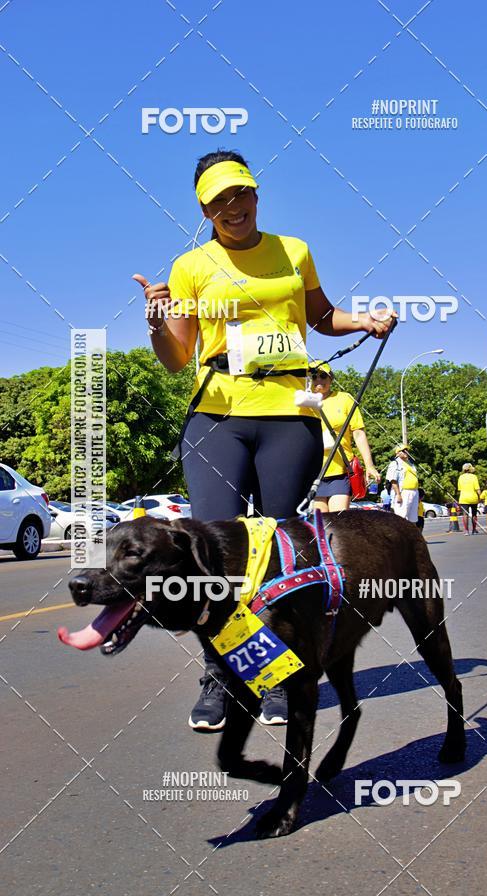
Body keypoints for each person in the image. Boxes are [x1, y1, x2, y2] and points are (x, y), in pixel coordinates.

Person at [134, 149, 393, 732]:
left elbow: (324, 318)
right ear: (204, 209)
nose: (232, 207)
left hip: (287, 414)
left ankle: (277, 674)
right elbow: (177, 359)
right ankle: (221, 673)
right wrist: (155, 322)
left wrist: (367, 320)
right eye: (218, 200)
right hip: (217, 415)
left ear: (256, 194)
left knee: (280, 551)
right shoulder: (190, 266)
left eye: (240, 194)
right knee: (214, 550)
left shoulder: (293, 251)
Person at [309, 361, 380, 511]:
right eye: (314, 376)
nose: (319, 380)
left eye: (323, 376)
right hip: (315, 472)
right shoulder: (304, 402)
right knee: (321, 525)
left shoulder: (344, 399)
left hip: (340, 472)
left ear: (331, 379)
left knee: (338, 522)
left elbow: (359, 433)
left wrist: (369, 465)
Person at [386, 445, 419, 523]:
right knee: (401, 517)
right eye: (403, 450)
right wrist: (398, 494)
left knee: (413, 518)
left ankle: (412, 534)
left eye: (407, 450)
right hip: (403, 492)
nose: (406, 452)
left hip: (414, 492)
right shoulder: (395, 463)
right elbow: (393, 480)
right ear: (397, 453)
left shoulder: (411, 464)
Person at [457, 463, 480, 534]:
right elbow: (477, 489)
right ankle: (474, 529)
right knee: (474, 514)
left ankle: (466, 530)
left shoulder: (461, 477)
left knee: (465, 514)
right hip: (473, 497)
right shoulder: (474, 477)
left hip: (464, 498)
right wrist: (480, 497)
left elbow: (460, 489)